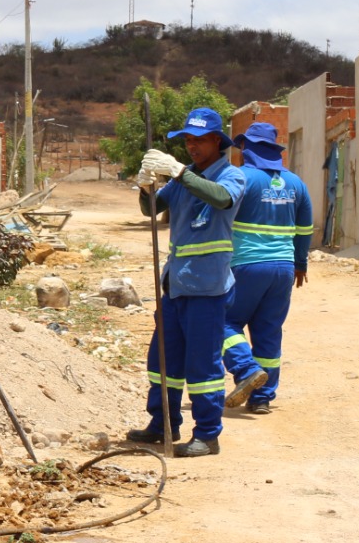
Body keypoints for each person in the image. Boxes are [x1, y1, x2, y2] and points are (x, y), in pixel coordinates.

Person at [127, 107, 247, 457]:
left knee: (202, 366)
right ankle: (163, 423)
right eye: (188, 141)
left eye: (200, 140)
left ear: (217, 142)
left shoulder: (231, 176)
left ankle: (207, 435)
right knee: (163, 362)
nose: (193, 146)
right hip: (175, 286)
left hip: (208, 288)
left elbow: (221, 199)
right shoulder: (182, 180)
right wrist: (146, 186)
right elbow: (151, 209)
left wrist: (178, 171)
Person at [221, 121, 313, 414]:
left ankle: (246, 369)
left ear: (247, 148)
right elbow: (305, 229)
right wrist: (300, 263)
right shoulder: (296, 183)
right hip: (284, 268)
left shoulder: (240, 178)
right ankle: (262, 397)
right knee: (268, 330)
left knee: (222, 321)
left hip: (246, 265)